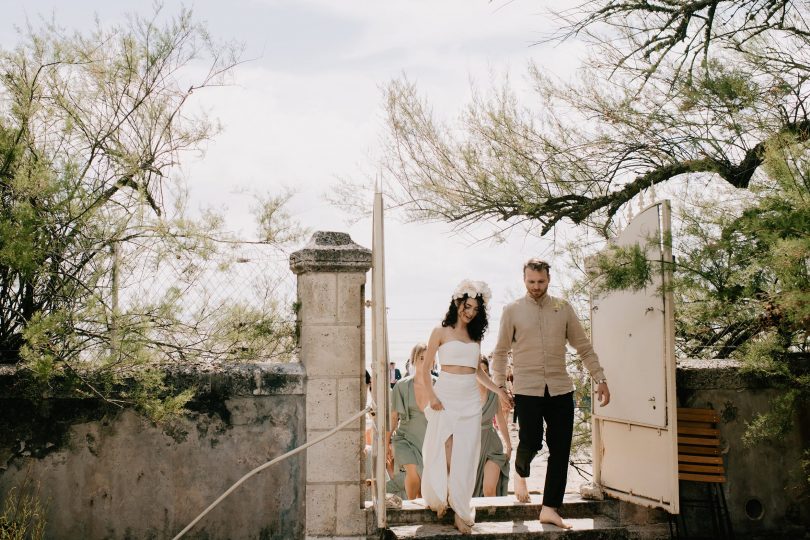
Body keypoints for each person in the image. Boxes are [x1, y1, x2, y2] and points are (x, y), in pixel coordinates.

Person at [491, 258, 611, 529]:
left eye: (541, 281)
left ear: (549, 279)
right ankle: (520, 471)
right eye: (531, 282)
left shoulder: (563, 308)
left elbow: (583, 347)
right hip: (527, 390)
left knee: (560, 450)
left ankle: (550, 508)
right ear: (524, 280)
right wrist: (499, 386)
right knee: (531, 442)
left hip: (560, 389)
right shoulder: (512, 311)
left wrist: (600, 378)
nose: (536, 286)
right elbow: (499, 352)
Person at [416, 279, 512, 534]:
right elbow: (426, 370)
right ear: (458, 303)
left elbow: (478, 371)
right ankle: (443, 497)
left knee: (466, 455)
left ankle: (460, 509)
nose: (470, 312)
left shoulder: (475, 337)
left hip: (470, 398)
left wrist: (498, 390)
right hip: (445, 395)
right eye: (467, 306)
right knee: (445, 452)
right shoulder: (440, 331)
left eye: (475, 309)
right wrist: (433, 396)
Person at [387, 343, 431, 500]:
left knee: (424, 486)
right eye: (421, 358)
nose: (425, 362)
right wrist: (386, 442)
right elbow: (393, 418)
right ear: (413, 360)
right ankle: (411, 507)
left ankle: (418, 508)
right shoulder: (401, 386)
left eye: (429, 358)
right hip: (405, 439)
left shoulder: (438, 385)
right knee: (413, 474)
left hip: (429, 441)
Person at [473, 356, 511, 498]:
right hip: (473, 446)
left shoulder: (493, 395)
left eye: (485, 371)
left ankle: (494, 518)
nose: (482, 375)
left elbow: (500, 421)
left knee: (489, 490)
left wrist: (508, 445)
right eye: (479, 371)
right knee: (473, 492)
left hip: (492, 446)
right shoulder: (467, 395)